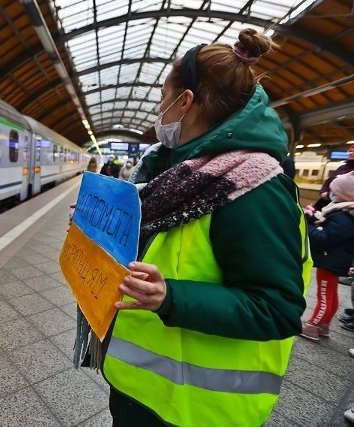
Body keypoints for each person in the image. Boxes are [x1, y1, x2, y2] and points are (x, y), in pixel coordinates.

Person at [73, 29, 311, 426]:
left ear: (184, 102)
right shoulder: (169, 172)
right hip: (138, 389)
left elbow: (278, 308)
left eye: (163, 98)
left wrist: (170, 297)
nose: (159, 109)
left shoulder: (251, 187)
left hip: (198, 409)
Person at [300, 172, 354, 340]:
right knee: (331, 293)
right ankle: (323, 325)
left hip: (330, 259)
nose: (330, 194)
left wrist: (309, 226)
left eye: (334, 191)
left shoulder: (342, 217)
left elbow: (325, 239)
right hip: (336, 259)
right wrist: (316, 217)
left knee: (324, 294)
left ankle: (312, 325)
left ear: (343, 194)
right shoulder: (345, 213)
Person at [312, 145, 354, 210]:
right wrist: (324, 191)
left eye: (353, 151)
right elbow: (329, 181)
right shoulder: (342, 168)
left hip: (345, 206)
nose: (351, 153)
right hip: (327, 201)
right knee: (312, 216)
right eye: (350, 151)